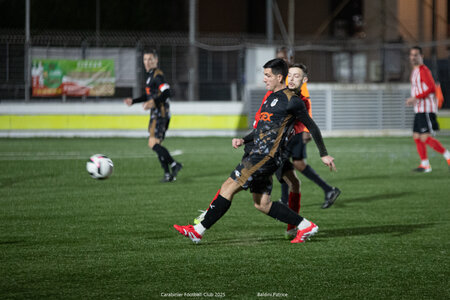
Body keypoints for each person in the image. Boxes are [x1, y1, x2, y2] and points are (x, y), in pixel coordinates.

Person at [174, 58, 336, 244]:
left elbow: (313, 127)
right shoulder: (271, 98)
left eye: (267, 75)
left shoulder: (293, 101)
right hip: (259, 153)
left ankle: (197, 231)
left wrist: (323, 153)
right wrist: (244, 139)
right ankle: (305, 226)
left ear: (279, 77)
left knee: (228, 186)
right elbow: (262, 129)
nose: (264, 79)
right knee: (262, 204)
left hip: (265, 156)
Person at [124, 49, 182, 182]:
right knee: (157, 144)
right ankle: (168, 174)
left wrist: (153, 102)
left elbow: (167, 92)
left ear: (156, 60)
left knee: (152, 143)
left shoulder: (157, 76)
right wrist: (133, 101)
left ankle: (174, 164)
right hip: (157, 114)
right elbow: (148, 95)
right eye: (145, 59)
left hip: (160, 114)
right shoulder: (150, 76)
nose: (147, 62)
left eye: (150, 59)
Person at [406, 46, 450, 172]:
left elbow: (431, 88)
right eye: (412, 55)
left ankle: (448, 155)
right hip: (419, 109)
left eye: (416, 55)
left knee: (425, 137)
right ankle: (425, 164)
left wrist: (415, 98)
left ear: (421, 56)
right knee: (416, 136)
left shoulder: (423, 70)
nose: (413, 57)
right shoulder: (415, 71)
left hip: (426, 109)